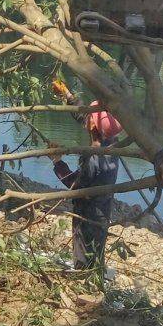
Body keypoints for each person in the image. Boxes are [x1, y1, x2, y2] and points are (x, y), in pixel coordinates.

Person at [49, 93, 122, 272]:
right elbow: (86, 119)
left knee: (84, 251)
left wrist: (57, 162)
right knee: (97, 252)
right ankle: (95, 277)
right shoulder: (112, 144)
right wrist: (69, 97)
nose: (87, 120)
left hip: (87, 212)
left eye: (90, 118)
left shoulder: (93, 158)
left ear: (93, 126)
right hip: (103, 209)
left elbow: (76, 186)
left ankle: (85, 281)